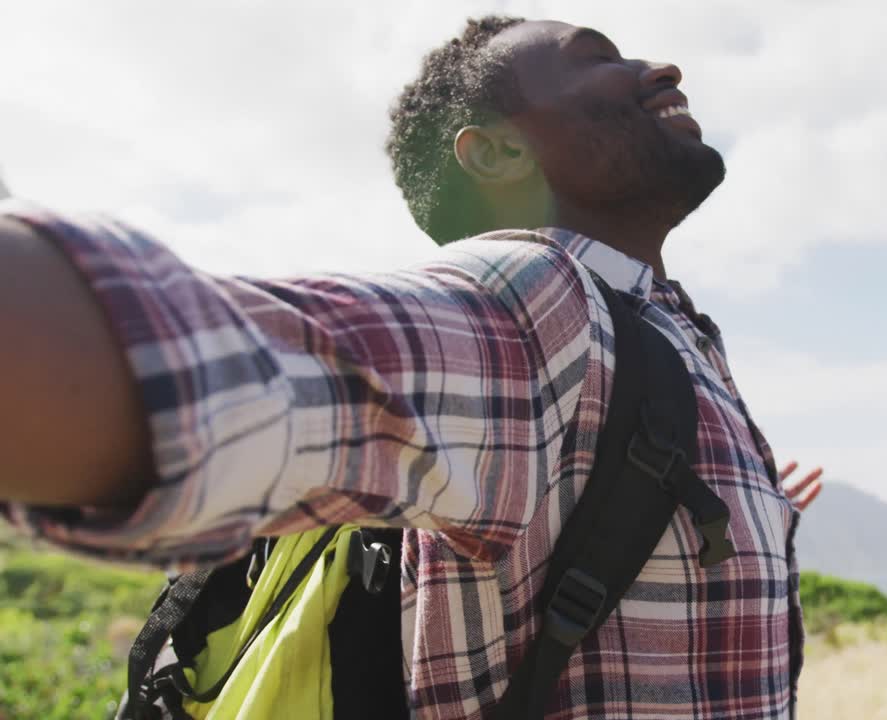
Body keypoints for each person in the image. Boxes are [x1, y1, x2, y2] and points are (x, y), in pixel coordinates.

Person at [0, 16, 823, 719]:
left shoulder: (653, 327)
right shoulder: (536, 303)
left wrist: (742, 509)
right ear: (497, 153)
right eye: (595, 56)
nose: (662, 66)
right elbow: (197, 359)